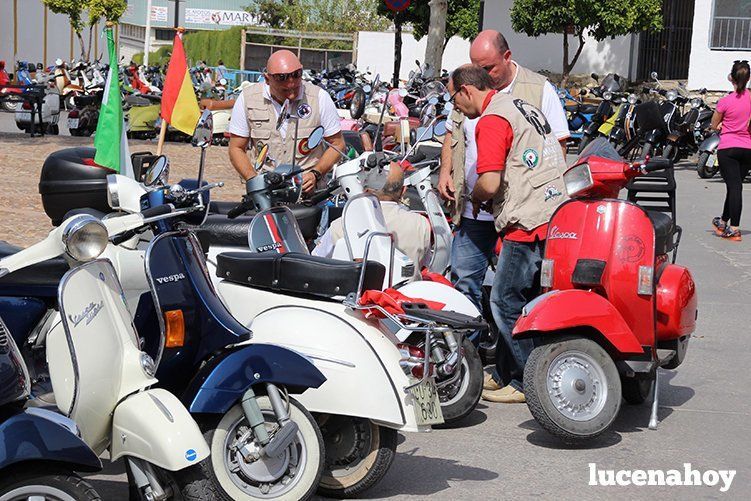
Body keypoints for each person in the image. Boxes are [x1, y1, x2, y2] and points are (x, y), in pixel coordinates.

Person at [437, 30, 569, 392]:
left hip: (523, 220)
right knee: (512, 296)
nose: (457, 111)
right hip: (546, 213)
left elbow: (491, 183)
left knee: (506, 300)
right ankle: (501, 373)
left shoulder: (495, 117)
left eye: (456, 100)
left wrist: (476, 196)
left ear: (467, 91)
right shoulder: (517, 106)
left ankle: (536, 382)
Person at [227, 50, 345, 194]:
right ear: (267, 79)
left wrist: (316, 173)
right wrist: (254, 182)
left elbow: (337, 144)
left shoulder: (319, 97)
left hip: (309, 195)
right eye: (282, 80)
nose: (291, 86)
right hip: (265, 194)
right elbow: (236, 148)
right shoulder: (248, 99)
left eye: (297, 75)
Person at [312, 163, 431, 280]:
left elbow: (315, 262)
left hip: (351, 296)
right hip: (404, 297)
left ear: (366, 188)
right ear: (403, 191)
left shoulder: (341, 225)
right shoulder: (422, 224)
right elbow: (426, 266)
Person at [711, 60, 751, 242]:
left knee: (735, 187)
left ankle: (734, 228)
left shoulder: (725, 101)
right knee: (733, 187)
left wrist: (719, 126)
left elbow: (714, 124)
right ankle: (723, 221)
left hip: (728, 148)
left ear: (732, 78)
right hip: (747, 148)